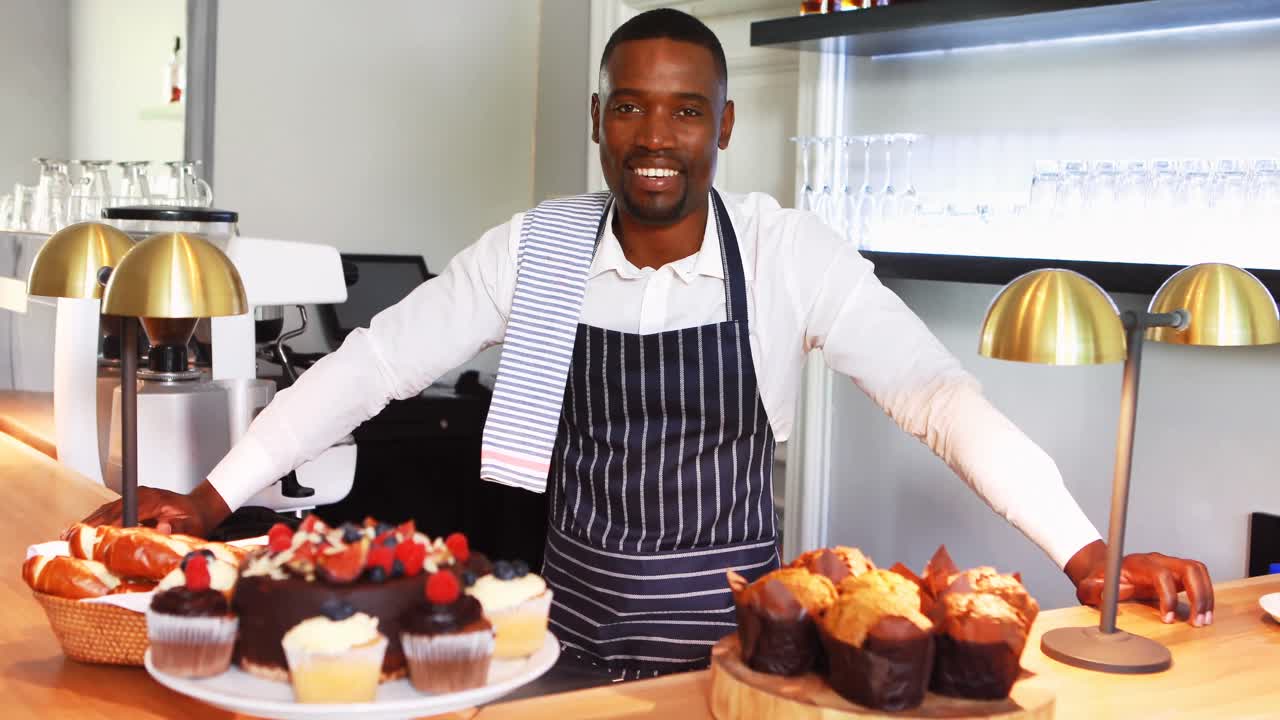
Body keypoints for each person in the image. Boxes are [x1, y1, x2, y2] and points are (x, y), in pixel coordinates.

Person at [79, 9, 1213, 677]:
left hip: (740, 663)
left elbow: (933, 394)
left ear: (722, 125)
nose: (653, 137)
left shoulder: (782, 252)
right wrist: (217, 496)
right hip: (560, 652)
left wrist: (1083, 553)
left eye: (681, 112)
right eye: (629, 108)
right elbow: (374, 363)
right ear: (597, 121)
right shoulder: (540, 247)